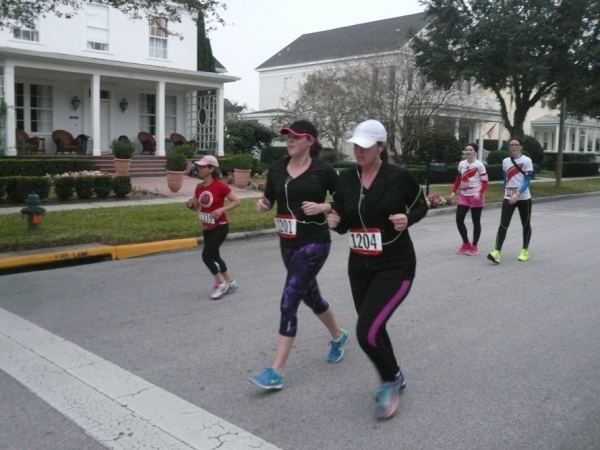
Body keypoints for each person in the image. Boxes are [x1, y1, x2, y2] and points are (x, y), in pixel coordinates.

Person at [327, 119, 428, 421]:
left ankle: (388, 381)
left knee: (366, 332)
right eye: (356, 146)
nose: (359, 151)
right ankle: (394, 373)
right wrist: (335, 222)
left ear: (381, 146)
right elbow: (343, 218)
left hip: (396, 265)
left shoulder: (399, 177)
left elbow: (420, 206)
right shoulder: (347, 178)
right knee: (374, 326)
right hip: (359, 266)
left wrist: (408, 219)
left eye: (366, 146)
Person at [250, 119, 348, 390]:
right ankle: (338, 336)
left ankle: (276, 371)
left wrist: (323, 207)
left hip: (314, 243)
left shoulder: (323, 170)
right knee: (311, 297)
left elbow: (345, 200)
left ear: (310, 141)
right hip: (287, 242)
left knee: (289, 301)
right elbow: (269, 199)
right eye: (287, 137)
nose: (289, 141)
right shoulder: (277, 167)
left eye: (295, 136)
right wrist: (263, 204)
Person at [186, 155, 240, 299]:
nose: (199, 169)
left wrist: (222, 209)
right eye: (199, 166)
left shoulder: (220, 186)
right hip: (207, 226)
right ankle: (231, 282)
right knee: (214, 255)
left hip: (220, 226)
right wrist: (190, 205)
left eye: (203, 167)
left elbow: (236, 201)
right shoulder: (199, 187)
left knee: (206, 256)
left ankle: (220, 284)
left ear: (211, 169)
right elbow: (196, 207)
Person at [487, 138, 534, 264]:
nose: (513, 147)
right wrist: (505, 192)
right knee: (503, 224)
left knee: (525, 224)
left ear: (521, 146)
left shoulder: (526, 161)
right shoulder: (505, 161)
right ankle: (497, 252)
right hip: (509, 197)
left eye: (516, 145)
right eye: (511, 145)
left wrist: (517, 194)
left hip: (523, 198)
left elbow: (527, 181)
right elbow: (505, 178)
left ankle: (524, 250)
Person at [450, 143, 489, 256]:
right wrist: (453, 191)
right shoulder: (462, 164)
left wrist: (479, 193)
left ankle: (474, 246)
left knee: (475, 221)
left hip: (475, 196)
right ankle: (466, 243)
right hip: (464, 196)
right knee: (459, 220)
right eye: (466, 150)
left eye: (470, 150)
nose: (468, 152)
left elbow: (485, 182)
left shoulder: (479, 165)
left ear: (475, 152)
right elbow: (458, 179)